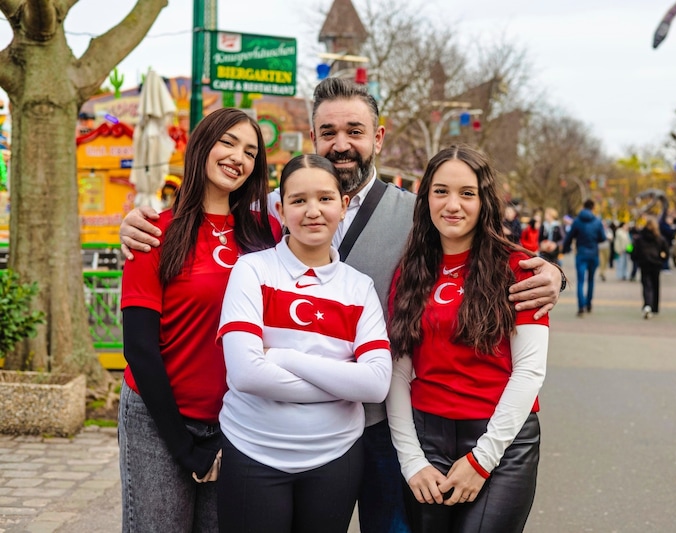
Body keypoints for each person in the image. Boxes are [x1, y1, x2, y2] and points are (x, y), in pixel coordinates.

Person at [119, 78, 564, 533]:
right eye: (328, 132)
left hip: (389, 424)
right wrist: (135, 223)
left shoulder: (420, 214)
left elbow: (476, 242)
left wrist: (552, 272)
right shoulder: (270, 214)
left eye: (354, 130)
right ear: (312, 139)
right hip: (271, 423)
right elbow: (208, 224)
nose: (341, 143)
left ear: (378, 136)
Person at [118, 108, 279, 532]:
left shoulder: (271, 235)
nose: (237, 157)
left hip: (239, 423)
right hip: (158, 419)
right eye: (227, 142)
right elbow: (138, 347)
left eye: (250, 151)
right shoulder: (155, 232)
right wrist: (183, 447)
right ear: (202, 146)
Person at [215, 154, 392, 532]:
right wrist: (344, 384)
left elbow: (376, 384)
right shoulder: (252, 270)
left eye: (326, 199)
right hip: (252, 451)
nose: (313, 211)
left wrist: (282, 356)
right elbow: (246, 374)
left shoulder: (359, 288)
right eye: (298, 201)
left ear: (344, 206)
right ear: (280, 209)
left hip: (336, 457)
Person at [386, 145, 548, 533]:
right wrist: (411, 460)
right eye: (440, 191)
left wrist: (481, 460)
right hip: (426, 440)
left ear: (484, 200)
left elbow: (528, 372)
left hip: (501, 442)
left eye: (466, 193)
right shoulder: (410, 270)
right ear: (426, 198)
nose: (452, 204)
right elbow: (397, 373)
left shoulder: (518, 268)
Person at [563, 199, 606, 316]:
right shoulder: (597, 221)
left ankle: (581, 306)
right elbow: (603, 238)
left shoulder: (577, 221)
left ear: (583, 207)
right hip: (593, 254)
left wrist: (565, 248)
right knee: (591, 280)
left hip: (581, 254)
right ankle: (589, 304)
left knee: (580, 281)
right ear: (593, 207)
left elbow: (569, 237)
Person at [631, 216, 668, 319]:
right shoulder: (659, 238)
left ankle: (647, 304)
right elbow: (666, 251)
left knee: (646, 285)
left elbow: (634, 252)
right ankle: (654, 307)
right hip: (656, 264)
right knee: (655, 285)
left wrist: (636, 260)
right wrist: (662, 260)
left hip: (644, 264)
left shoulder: (640, 238)